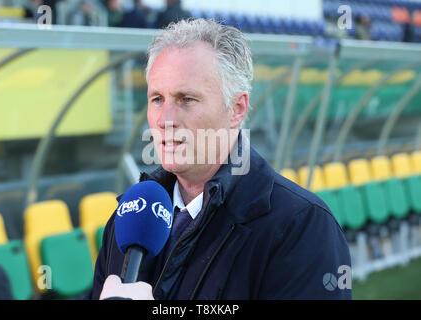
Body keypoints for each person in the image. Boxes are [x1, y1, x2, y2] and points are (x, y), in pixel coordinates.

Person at [86, 18, 351, 300]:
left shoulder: (301, 226)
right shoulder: (129, 215)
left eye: (186, 99)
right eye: (157, 99)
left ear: (237, 109)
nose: (165, 120)